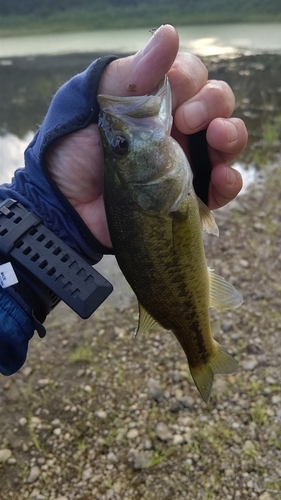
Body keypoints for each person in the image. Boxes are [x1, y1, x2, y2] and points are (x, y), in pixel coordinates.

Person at [0, 25, 247, 376]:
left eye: (120, 144)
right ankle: (203, 354)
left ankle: (202, 353)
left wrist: (45, 206)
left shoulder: (160, 188)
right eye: (122, 145)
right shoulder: (163, 192)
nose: (123, 136)